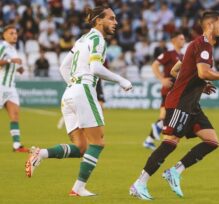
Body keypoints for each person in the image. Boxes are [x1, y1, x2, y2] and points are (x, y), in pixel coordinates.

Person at [25, 6, 132, 196]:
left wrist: (73, 86)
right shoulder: (98, 38)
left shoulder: (83, 39)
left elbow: (63, 68)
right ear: (99, 20)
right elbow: (96, 68)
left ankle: (40, 154)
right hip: (82, 90)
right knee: (97, 143)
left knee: (82, 147)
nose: (115, 22)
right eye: (112, 18)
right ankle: (78, 188)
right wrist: (121, 79)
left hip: (69, 93)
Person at [129, 11, 219, 200]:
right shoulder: (204, 45)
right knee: (170, 143)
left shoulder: (195, 44)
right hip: (180, 103)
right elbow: (203, 72)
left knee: (212, 141)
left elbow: (175, 69)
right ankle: (139, 183)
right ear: (209, 25)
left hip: (192, 104)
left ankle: (175, 172)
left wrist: (199, 85)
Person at [143, 31, 185, 150]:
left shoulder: (182, 56)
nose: (183, 40)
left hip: (177, 90)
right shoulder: (169, 54)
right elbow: (155, 65)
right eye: (181, 38)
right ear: (174, 40)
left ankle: (150, 139)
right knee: (168, 116)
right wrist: (162, 79)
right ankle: (159, 133)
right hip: (169, 90)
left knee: (164, 116)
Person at [0, 25, 28, 153]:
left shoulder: (13, 49)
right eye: (11, 33)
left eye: (15, 33)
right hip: (1, 85)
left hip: (11, 87)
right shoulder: (3, 46)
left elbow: (12, 64)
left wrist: (19, 69)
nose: (14, 35)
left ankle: (17, 145)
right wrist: (11, 60)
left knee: (15, 115)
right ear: (4, 35)